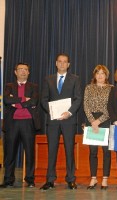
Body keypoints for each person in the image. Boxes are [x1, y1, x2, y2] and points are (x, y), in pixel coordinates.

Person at [40, 53, 82, 190]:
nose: (62, 64)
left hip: (68, 120)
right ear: (56, 63)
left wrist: (68, 112)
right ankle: (50, 180)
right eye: (60, 61)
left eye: (65, 62)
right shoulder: (48, 79)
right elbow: (43, 99)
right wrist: (53, 112)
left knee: (69, 150)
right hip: (53, 121)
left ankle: (71, 179)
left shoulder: (75, 79)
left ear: (68, 65)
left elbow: (78, 99)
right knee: (52, 150)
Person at [1, 63, 40, 188]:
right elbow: (7, 100)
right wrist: (25, 100)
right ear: (15, 72)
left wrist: (16, 100)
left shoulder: (34, 86)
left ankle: (30, 179)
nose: (23, 71)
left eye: (25, 70)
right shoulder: (9, 86)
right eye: (20, 69)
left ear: (28, 72)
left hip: (28, 122)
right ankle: (8, 180)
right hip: (12, 123)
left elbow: (34, 101)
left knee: (29, 152)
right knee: (10, 152)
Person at [83, 65, 113, 190]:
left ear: (106, 75)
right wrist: (92, 121)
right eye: (98, 73)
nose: (100, 75)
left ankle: (105, 179)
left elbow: (111, 107)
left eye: (103, 73)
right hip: (91, 120)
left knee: (106, 152)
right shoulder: (89, 88)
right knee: (93, 151)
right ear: (94, 75)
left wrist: (99, 121)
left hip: (105, 120)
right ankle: (93, 178)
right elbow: (86, 105)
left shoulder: (112, 89)